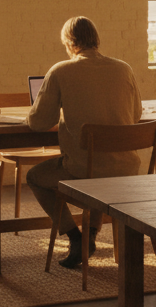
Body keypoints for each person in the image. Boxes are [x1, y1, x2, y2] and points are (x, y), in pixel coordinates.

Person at [25, 16, 143, 269]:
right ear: (96, 40)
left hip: (85, 173)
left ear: (69, 42)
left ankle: (75, 236)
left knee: (35, 177)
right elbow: (135, 115)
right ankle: (89, 235)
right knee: (98, 162)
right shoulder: (124, 68)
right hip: (126, 170)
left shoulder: (61, 71)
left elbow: (38, 122)